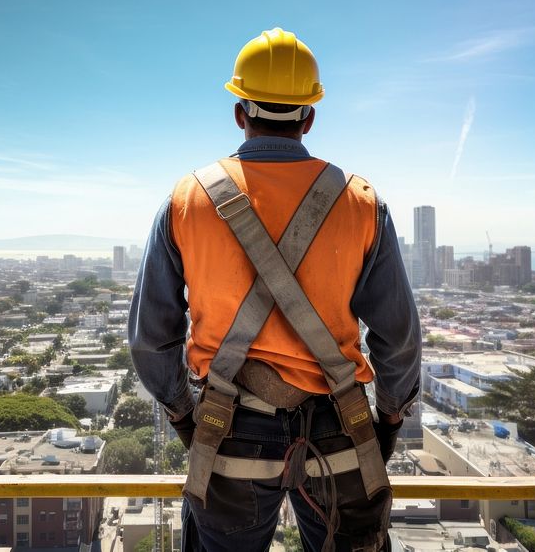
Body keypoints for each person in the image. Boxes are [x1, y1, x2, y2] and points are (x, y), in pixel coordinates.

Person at [129, 27, 421, 552]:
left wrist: (183, 415)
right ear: (310, 117)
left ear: (240, 112)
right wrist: (390, 418)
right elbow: (396, 336)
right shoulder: (360, 201)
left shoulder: (188, 199)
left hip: (228, 427)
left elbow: (152, 337)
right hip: (340, 428)